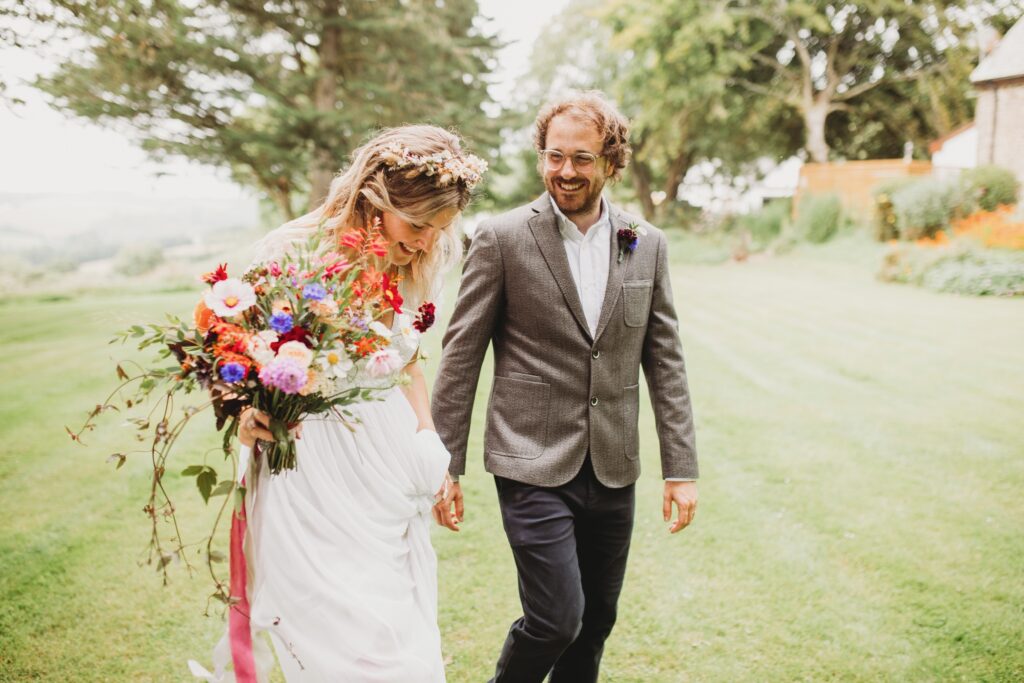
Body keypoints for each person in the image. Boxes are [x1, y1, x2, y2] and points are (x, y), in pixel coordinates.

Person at [189, 125, 485, 682]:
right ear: (375, 201)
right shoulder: (295, 249)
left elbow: (407, 357)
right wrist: (245, 410)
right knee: (334, 633)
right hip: (307, 468)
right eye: (417, 225)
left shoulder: (420, 260)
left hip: (385, 466)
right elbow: (231, 342)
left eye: (439, 230)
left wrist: (429, 440)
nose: (425, 243)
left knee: (391, 629)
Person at [431, 91, 699, 683]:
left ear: (612, 162)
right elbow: (460, 356)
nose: (566, 172)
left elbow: (666, 360)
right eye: (554, 157)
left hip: (612, 464)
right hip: (529, 460)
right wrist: (442, 463)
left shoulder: (645, 242)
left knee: (596, 620)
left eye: (581, 158)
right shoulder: (500, 239)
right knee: (556, 619)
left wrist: (681, 468)